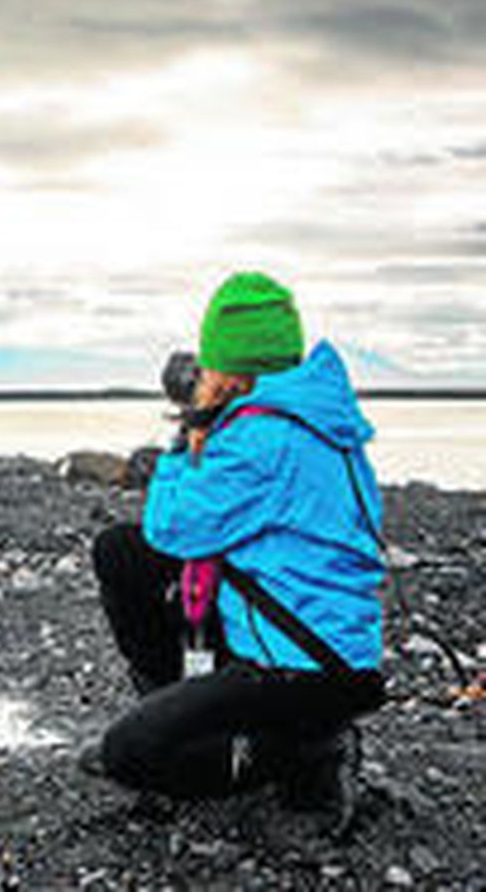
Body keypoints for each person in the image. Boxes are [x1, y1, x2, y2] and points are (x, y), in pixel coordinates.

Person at [84, 272, 385, 827]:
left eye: (208, 363)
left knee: (129, 755)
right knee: (121, 552)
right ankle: (195, 716)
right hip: (326, 650)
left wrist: (189, 430)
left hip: (303, 669)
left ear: (230, 370)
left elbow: (171, 526)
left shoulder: (263, 437)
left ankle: (311, 753)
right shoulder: (315, 419)